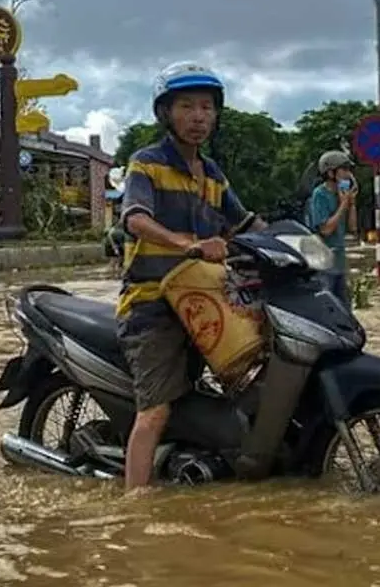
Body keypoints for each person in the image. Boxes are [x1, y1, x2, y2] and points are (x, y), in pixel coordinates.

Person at [117, 61, 267, 490]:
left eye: (206, 107)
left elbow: (244, 223)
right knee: (156, 410)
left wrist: (293, 245)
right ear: (165, 113)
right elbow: (136, 219)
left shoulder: (213, 174)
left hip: (205, 298)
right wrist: (186, 243)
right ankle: (136, 504)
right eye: (187, 106)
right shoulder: (146, 165)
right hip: (152, 305)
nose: (199, 117)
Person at [306, 150, 357, 305]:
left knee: (346, 311)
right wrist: (343, 205)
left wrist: (352, 203)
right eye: (344, 170)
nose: (348, 175)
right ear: (330, 173)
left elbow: (353, 228)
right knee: (329, 307)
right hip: (323, 264)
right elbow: (326, 229)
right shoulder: (319, 195)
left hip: (340, 262)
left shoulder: (343, 194)